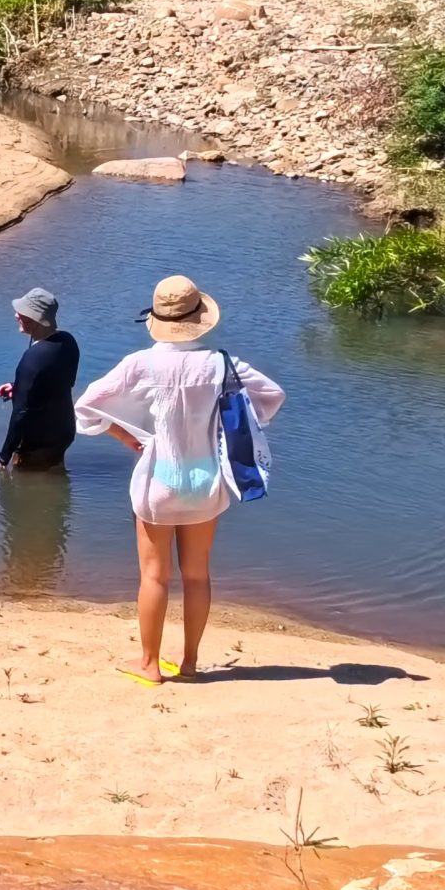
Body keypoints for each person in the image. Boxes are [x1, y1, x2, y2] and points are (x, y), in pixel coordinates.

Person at [74, 275, 283, 684]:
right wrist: (231, 428)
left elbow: (86, 407)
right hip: (206, 483)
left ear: (156, 319)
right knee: (197, 575)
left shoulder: (142, 363)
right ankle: (189, 663)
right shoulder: (222, 364)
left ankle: (149, 664)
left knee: (154, 576)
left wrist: (126, 435)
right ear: (199, 318)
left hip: (159, 482)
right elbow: (272, 395)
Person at [0, 287, 79, 471]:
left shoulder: (32, 360)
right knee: (56, 477)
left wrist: (4, 456)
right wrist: (17, 387)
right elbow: (60, 383)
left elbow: (21, 414)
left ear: (36, 319)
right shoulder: (68, 342)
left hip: (36, 445)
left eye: (22, 312)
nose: (16, 315)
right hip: (64, 432)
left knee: (23, 494)